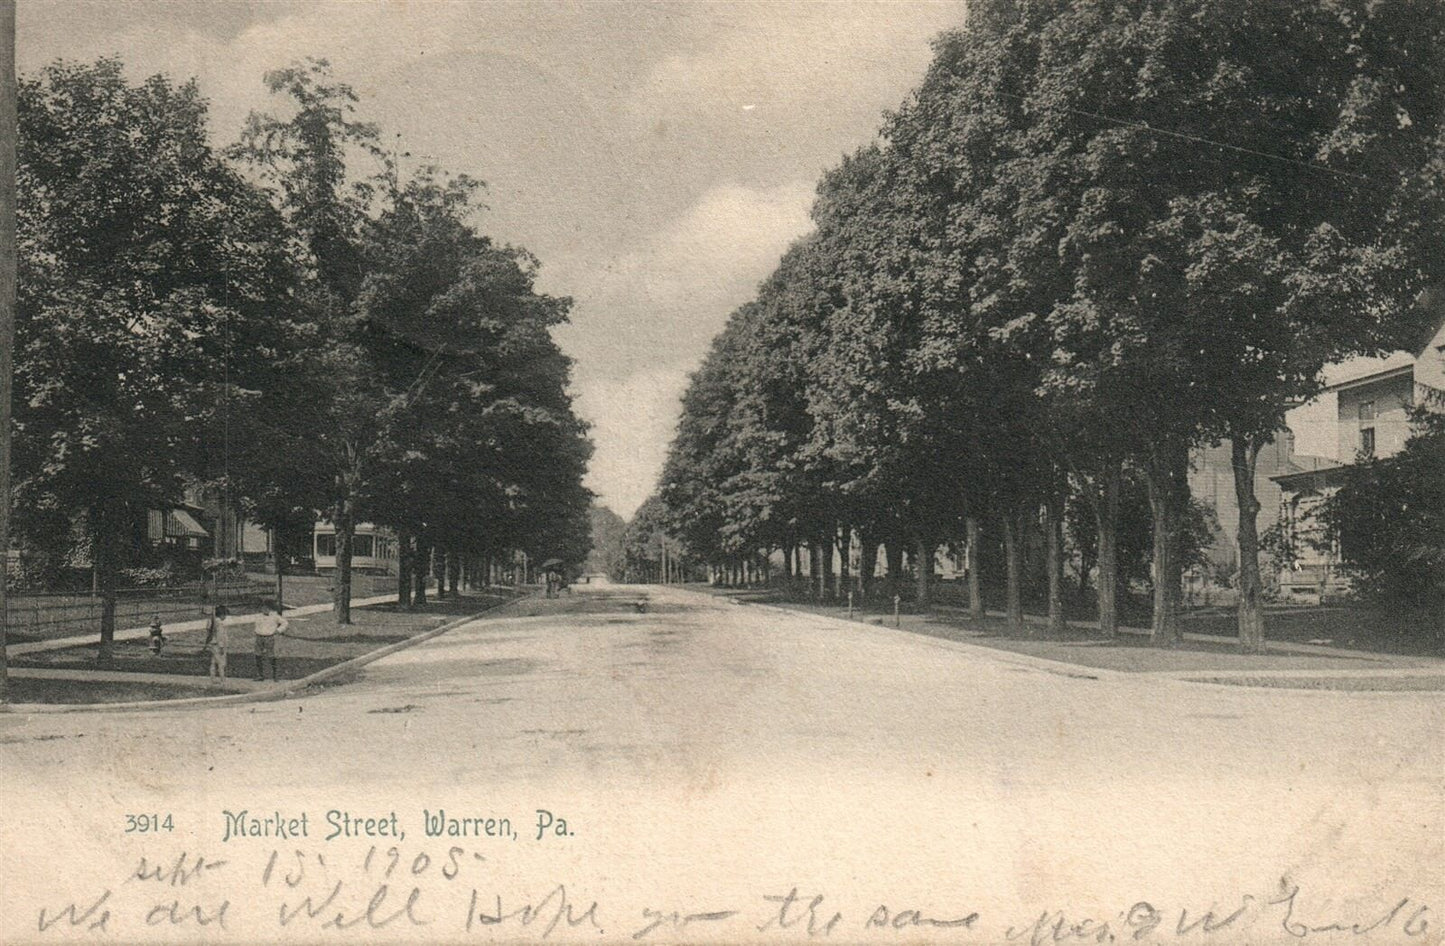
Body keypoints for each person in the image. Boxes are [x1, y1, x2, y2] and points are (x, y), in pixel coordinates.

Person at [251, 601, 289, 682]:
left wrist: (278, 630)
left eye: (266, 608)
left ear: (270, 609)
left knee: (271, 656)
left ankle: (275, 675)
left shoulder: (274, 616)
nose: (264, 610)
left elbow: (285, 622)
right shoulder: (258, 616)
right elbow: (257, 626)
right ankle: (260, 675)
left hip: (269, 637)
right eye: (263, 608)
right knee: (258, 655)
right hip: (259, 637)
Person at [204, 605, 230, 683]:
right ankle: (222, 678)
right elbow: (220, 635)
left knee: (213, 661)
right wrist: (221, 646)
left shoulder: (211, 621)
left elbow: (208, 632)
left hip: (212, 644)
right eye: (225, 615)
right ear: (222, 614)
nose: (225, 617)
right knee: (221, 662)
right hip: (218, 644)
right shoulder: (220, 624)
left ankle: (212, 678)